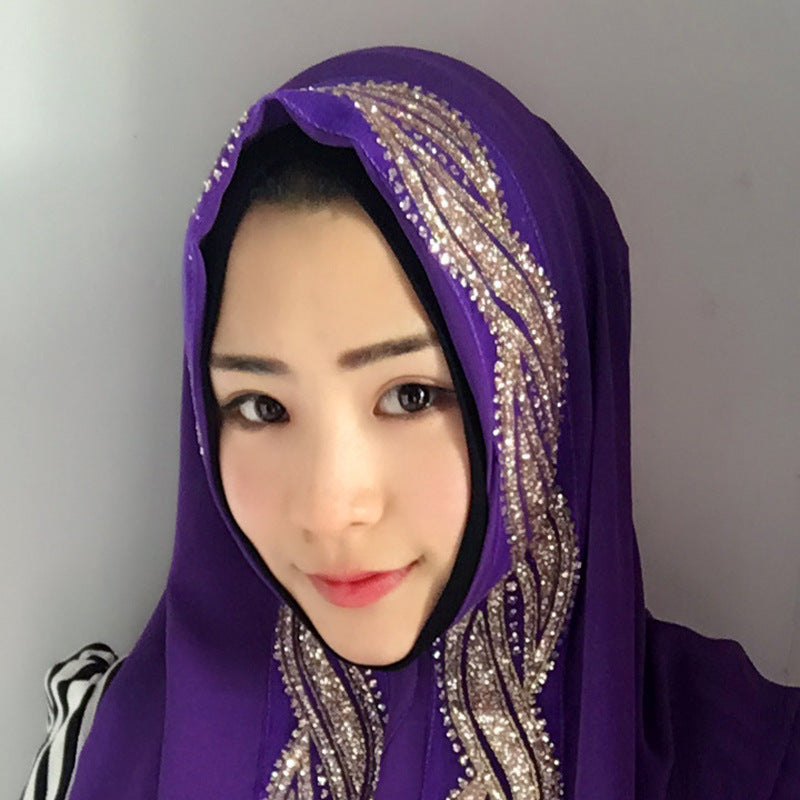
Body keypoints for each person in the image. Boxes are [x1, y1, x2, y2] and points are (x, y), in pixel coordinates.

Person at [21, 46, 799, 800]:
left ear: (541, 388)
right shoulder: (100, 743)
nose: (331, 509)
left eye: (412, 397)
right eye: (260, 407)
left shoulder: (753, 767)